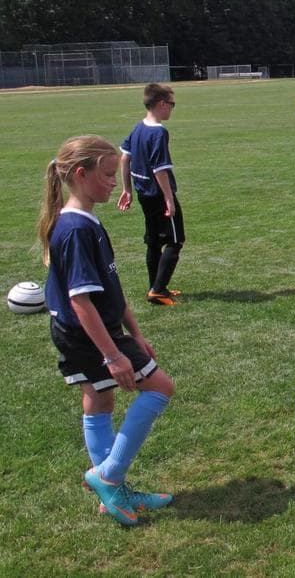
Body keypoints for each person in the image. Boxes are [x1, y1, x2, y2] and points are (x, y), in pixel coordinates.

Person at [37, 135, 176, 526]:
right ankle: (108, 476)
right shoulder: (75, 230)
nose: (115, 182)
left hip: (92, 330)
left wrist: (135, 332)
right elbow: (81, 302)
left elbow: (108, 288)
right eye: (108, 174)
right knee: (161, 387)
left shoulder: (85, 221)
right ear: (81, 175)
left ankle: (111, 494)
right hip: (87, 334)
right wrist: (114, 355)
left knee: (100, 401)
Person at [117, 83, 184, 306]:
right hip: (158, 195)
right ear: (162, 104)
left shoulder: (138, 128)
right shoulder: (158, 132)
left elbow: (125, 158)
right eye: (171, 104)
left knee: (154, 242)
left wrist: (127, 188)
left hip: (143, 193)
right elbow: (159, 169)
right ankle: (157, 290)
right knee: (175, 241)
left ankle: (155, 287)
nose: (172, 109)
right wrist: (168, 199)